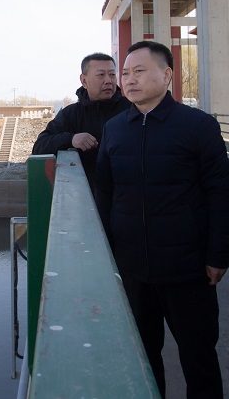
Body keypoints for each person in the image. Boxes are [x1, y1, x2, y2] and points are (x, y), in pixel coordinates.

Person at [95, 41, 229, 398]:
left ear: (167, 75)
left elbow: (220, 193)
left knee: (199, 358)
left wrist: (218, 255)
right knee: (143, 357)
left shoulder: (197, 126)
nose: (129, 80)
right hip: (133, 268)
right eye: (126, 73)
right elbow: (105, 192)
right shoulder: (115, 128)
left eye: (139, 71)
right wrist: (107, 252)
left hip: (188, 269)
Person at [32, 52, 130, 187]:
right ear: (84, 81)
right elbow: (39, 147)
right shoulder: (71, 114)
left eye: (112, 75)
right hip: (87, 195)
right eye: (101, 75)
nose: (108, 80)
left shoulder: (132, 110)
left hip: (126, 193)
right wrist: (71, 139)